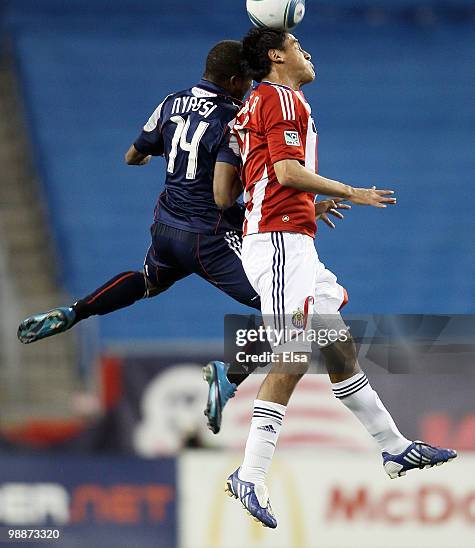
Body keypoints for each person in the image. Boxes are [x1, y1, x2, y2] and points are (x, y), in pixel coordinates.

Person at [16, 39, 347, 434]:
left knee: (147, 281)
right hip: (210, 236)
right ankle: (231, 376)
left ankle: (76, 311)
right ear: (235, 80)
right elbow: (223, 196)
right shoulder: (238, 116)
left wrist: (173, 150)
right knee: (286, 307)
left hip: (167, 227)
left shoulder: (172, 103)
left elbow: (132, 156)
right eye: (247, 79)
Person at [224, 27, 456, 529]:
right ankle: (250, 472)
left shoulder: (255, 104)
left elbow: (240, 185)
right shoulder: (283, 98)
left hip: (288, 238)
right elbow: (285, 172)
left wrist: (309, 203)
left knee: (338, 346)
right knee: (291, 352)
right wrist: (352, 191)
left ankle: (393, 448)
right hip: (281, 243)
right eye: (297, 45)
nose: (306, 53)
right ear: (275, 56)